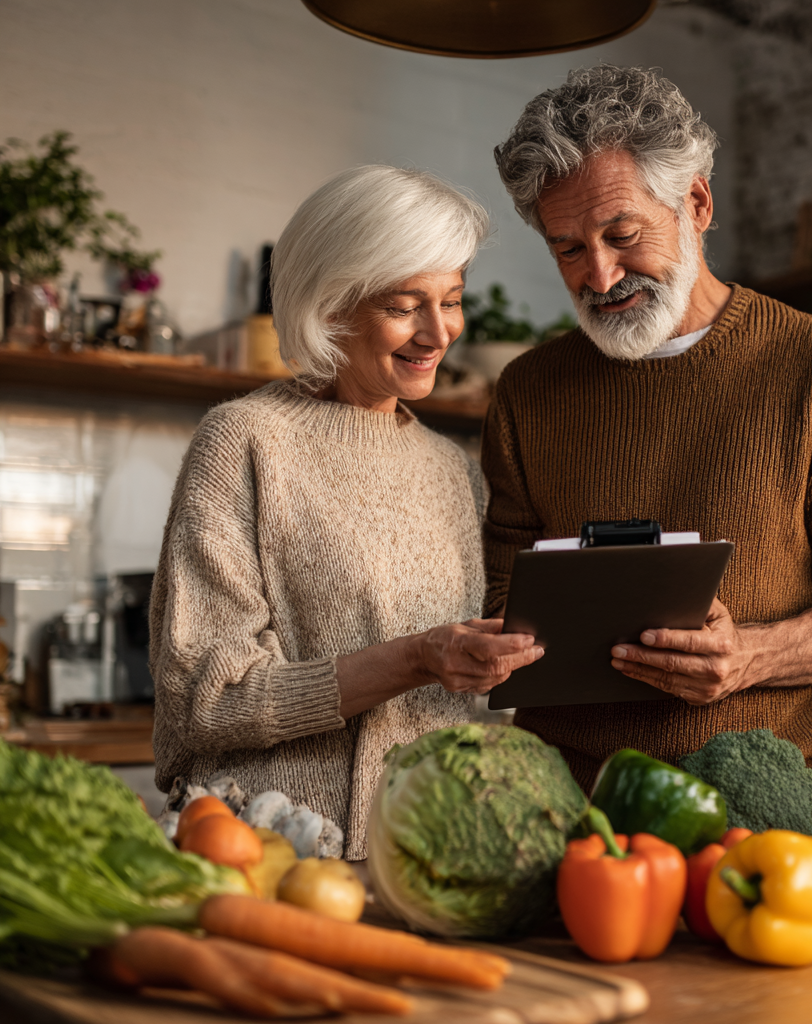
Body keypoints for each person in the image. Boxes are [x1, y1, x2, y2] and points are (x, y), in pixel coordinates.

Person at [485, 65, 812, 821]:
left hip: (759, 816)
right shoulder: (528, 390)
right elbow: (505, 594)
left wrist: (752, 654)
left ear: (696, 201)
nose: (598, 273)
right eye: (566, 249)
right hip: (560, 820)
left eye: (622, 234)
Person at [150, 166, 544, 860]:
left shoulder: (452, 468)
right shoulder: (245, 442)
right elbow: (208, 700)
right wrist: (418, 657)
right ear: (332, 307)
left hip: (429, 852)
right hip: (270, 849)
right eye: (404, 305)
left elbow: (462, 695)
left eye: (451, 300)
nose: (437, 332)